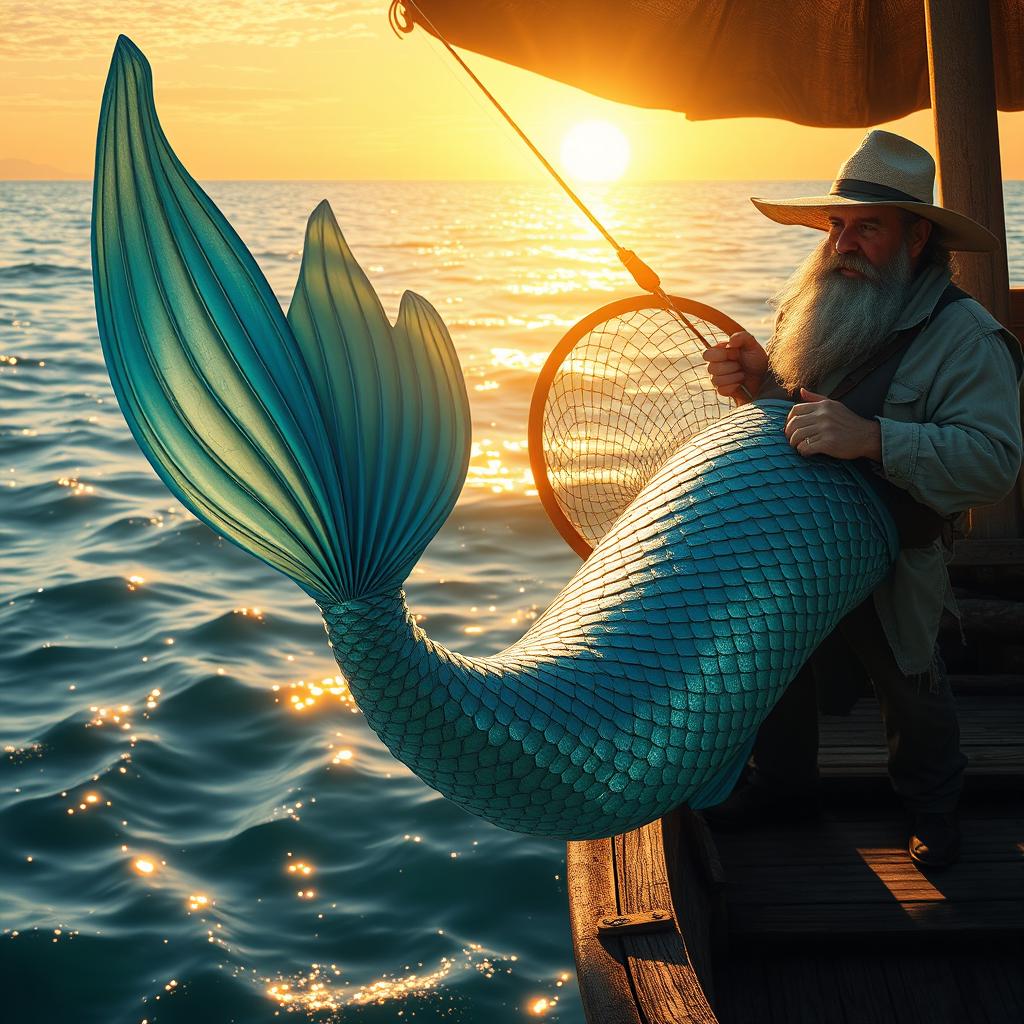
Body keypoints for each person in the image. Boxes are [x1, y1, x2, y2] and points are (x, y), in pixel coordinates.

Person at [700, 130, 1023, 868]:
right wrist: (759, 379)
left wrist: (875, 440)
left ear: (917, 239)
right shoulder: (817, 307)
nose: (843, 243)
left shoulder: (968, 337)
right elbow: (803, 409)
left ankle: (935, 811)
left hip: (893, 553)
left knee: (909, 683)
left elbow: (994, 463)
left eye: (866, 227)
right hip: (798, 545)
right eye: (837, 226)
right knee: (774, 665)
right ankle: (786, 790)